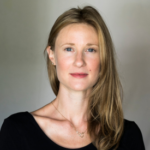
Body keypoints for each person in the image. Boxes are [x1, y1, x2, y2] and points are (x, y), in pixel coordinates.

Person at [0, 5, 145, 150]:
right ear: (52, 55)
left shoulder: (126, 135)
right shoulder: (17, 130)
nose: (79, 61)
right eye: (69, 49)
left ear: (103, 58)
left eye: (90, 49)